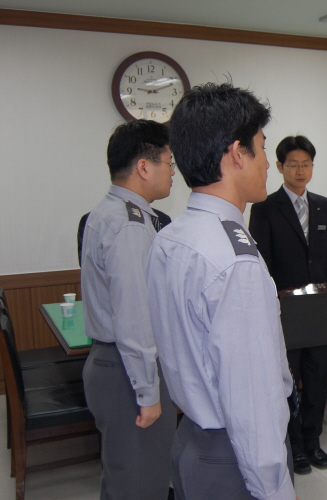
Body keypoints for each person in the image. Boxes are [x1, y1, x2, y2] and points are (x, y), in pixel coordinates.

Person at [146, 82, 298, 500]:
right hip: (233, 455)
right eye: (262, 148)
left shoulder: (172, 236)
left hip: (192, 441)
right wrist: (275, 488)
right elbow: (250, 398)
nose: (268, 164)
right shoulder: (235, 261)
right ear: (237, 154)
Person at [249, 135, 327, 475]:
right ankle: (294, 447)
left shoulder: (324, 205)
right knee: (288, 383)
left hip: (322, 314)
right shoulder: (265, 207)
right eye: (293, 164)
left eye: (306, 164)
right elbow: (262, 266)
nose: (300, 170)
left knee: (316, 380)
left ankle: (313, 442)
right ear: (280, 167)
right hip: (286, 314)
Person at [80, 119, 177, 499]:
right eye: (169, 162)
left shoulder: (108, 212)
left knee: (124, 480)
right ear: (144, 167)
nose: (173, 172)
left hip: (114, 366)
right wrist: (148, 392)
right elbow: (135, 318)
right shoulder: (129, 226)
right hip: (128, 372)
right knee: (141, 484)